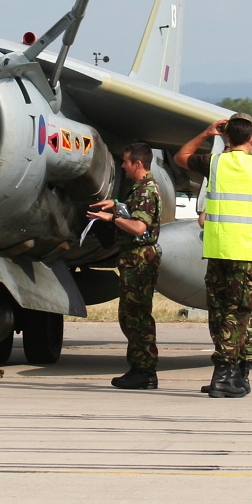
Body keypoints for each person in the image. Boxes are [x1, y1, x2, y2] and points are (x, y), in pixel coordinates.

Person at [174, 114, 252, 398]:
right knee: (240, 313)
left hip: (218, 249)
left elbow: (181, 157)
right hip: (246, 251)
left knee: (220, 312)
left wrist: (207, 134)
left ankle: (238, 373)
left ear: (226, 136)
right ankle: (225, 373)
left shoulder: (214, 163)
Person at [87, 143, 163, 390]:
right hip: (134, 259)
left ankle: (144, 370)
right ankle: (140, 368)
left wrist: (112, 218)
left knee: (137, 317)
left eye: (126, 162)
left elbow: (139, 227)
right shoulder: (139, 190)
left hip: (139, 259)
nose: (123, 166)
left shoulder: (145, 191)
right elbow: (136, 214)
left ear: (137, 164)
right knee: (131, 315)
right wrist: (117, 204)